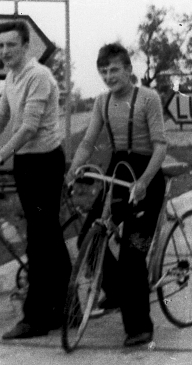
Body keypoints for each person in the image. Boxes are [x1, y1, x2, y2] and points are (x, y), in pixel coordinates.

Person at [0, 21, 67, 340]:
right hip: (25, 162)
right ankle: (65, 307)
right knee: (48, 235)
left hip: (45, 162)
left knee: (39, 239)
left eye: (11, 44)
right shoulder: (12, 77)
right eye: (0, 46)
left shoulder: (38, 76)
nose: (5, 51)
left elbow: (29, 128)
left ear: (25, 46)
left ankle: (35, 318)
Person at [68, 43, 167, 348]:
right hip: (118, 172)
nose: (109, 77)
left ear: (128, 70)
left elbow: (160, 146)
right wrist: (73, 169)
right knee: (89, 237)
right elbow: (88, 142)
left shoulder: (148, 98)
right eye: (104, 71)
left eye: (114, 70)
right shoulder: (102, 102)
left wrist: (144, 182)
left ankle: (140, 328)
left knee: (132, 253)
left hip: (146, 175)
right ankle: (115, 292)